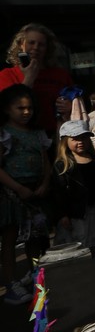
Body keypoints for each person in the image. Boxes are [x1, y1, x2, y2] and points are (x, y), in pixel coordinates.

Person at [0, 84, 51, 305]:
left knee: (35, 238)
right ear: (7, 109)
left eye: (29, 107)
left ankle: (35, 276)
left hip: (35, 192)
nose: (26, 112)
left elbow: (46, 162)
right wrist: (18, 188)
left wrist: (45, 183)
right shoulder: (4, 134)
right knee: (9, 239)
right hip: (11, 193)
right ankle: (11, 283)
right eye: (20, 108)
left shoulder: (37, 134)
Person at [51, 118, 95, 249]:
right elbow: (58, 192)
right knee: (81, 243)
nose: (80, 142)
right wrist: (62, 215)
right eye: (75, 139)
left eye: (84, 138)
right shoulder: (62, 165)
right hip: (77, 214)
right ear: (65, 141)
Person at [0, 22, 74, 135]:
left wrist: (70, 106)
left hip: (56, 133)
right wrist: (29, 78)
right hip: (19, 136)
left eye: (41, 44)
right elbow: (6, 106)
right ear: (21, 44)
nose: (36, 48)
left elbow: (77, 103)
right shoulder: (7, 75)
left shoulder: (60, 75)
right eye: (31, 43)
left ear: (47, 48)